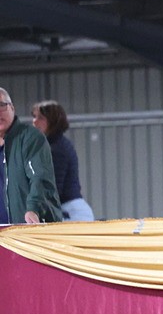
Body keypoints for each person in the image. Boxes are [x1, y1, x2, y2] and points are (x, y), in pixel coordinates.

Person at [0, 87, 61, 224]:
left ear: (12, 108)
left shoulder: (30, 137)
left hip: (27, 231)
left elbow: (39, 177)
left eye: (2, 105)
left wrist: (33, 208)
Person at [31, 100, 95, 221]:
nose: (34, 121)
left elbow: (53, 188)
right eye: (34, 117)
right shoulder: (53, 145)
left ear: (52, 121)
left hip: (70, 214)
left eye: (40, 118)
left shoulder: (56, 149)